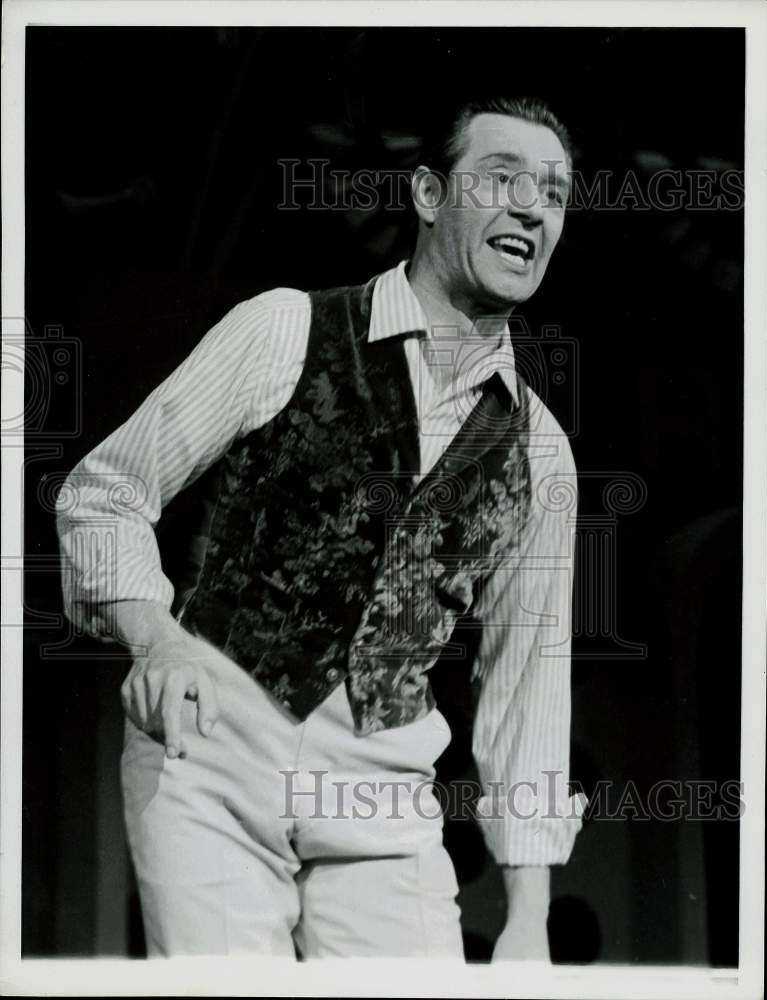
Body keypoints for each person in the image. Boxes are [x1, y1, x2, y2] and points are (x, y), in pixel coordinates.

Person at [56, 95, 585, 960]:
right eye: (502, 178)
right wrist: (157, 639)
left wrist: (529, 912)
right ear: (426, 194)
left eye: (555, 193)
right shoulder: (286, 330)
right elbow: (104, 491)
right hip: (215, 760)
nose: (532, 206)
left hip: (383, 797)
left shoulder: (543, 453)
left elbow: (528, 684)